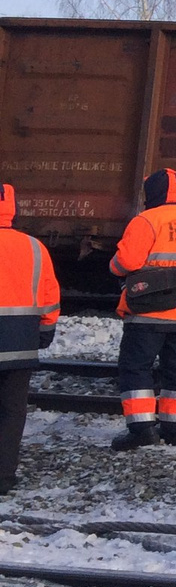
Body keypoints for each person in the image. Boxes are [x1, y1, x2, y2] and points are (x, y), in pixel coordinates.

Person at [108, 167, 176, 451]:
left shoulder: (147, 220)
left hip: (148, 309)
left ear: (153, 191)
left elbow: (125, 262)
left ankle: (141, 430)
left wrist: (112, 266)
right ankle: (174, 430)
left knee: (136, 367)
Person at [0, 184, 61, 492]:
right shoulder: (35, 247)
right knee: (12, 412)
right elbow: (49, 294)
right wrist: (46, 329)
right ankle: (3, 477)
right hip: (21, 342)